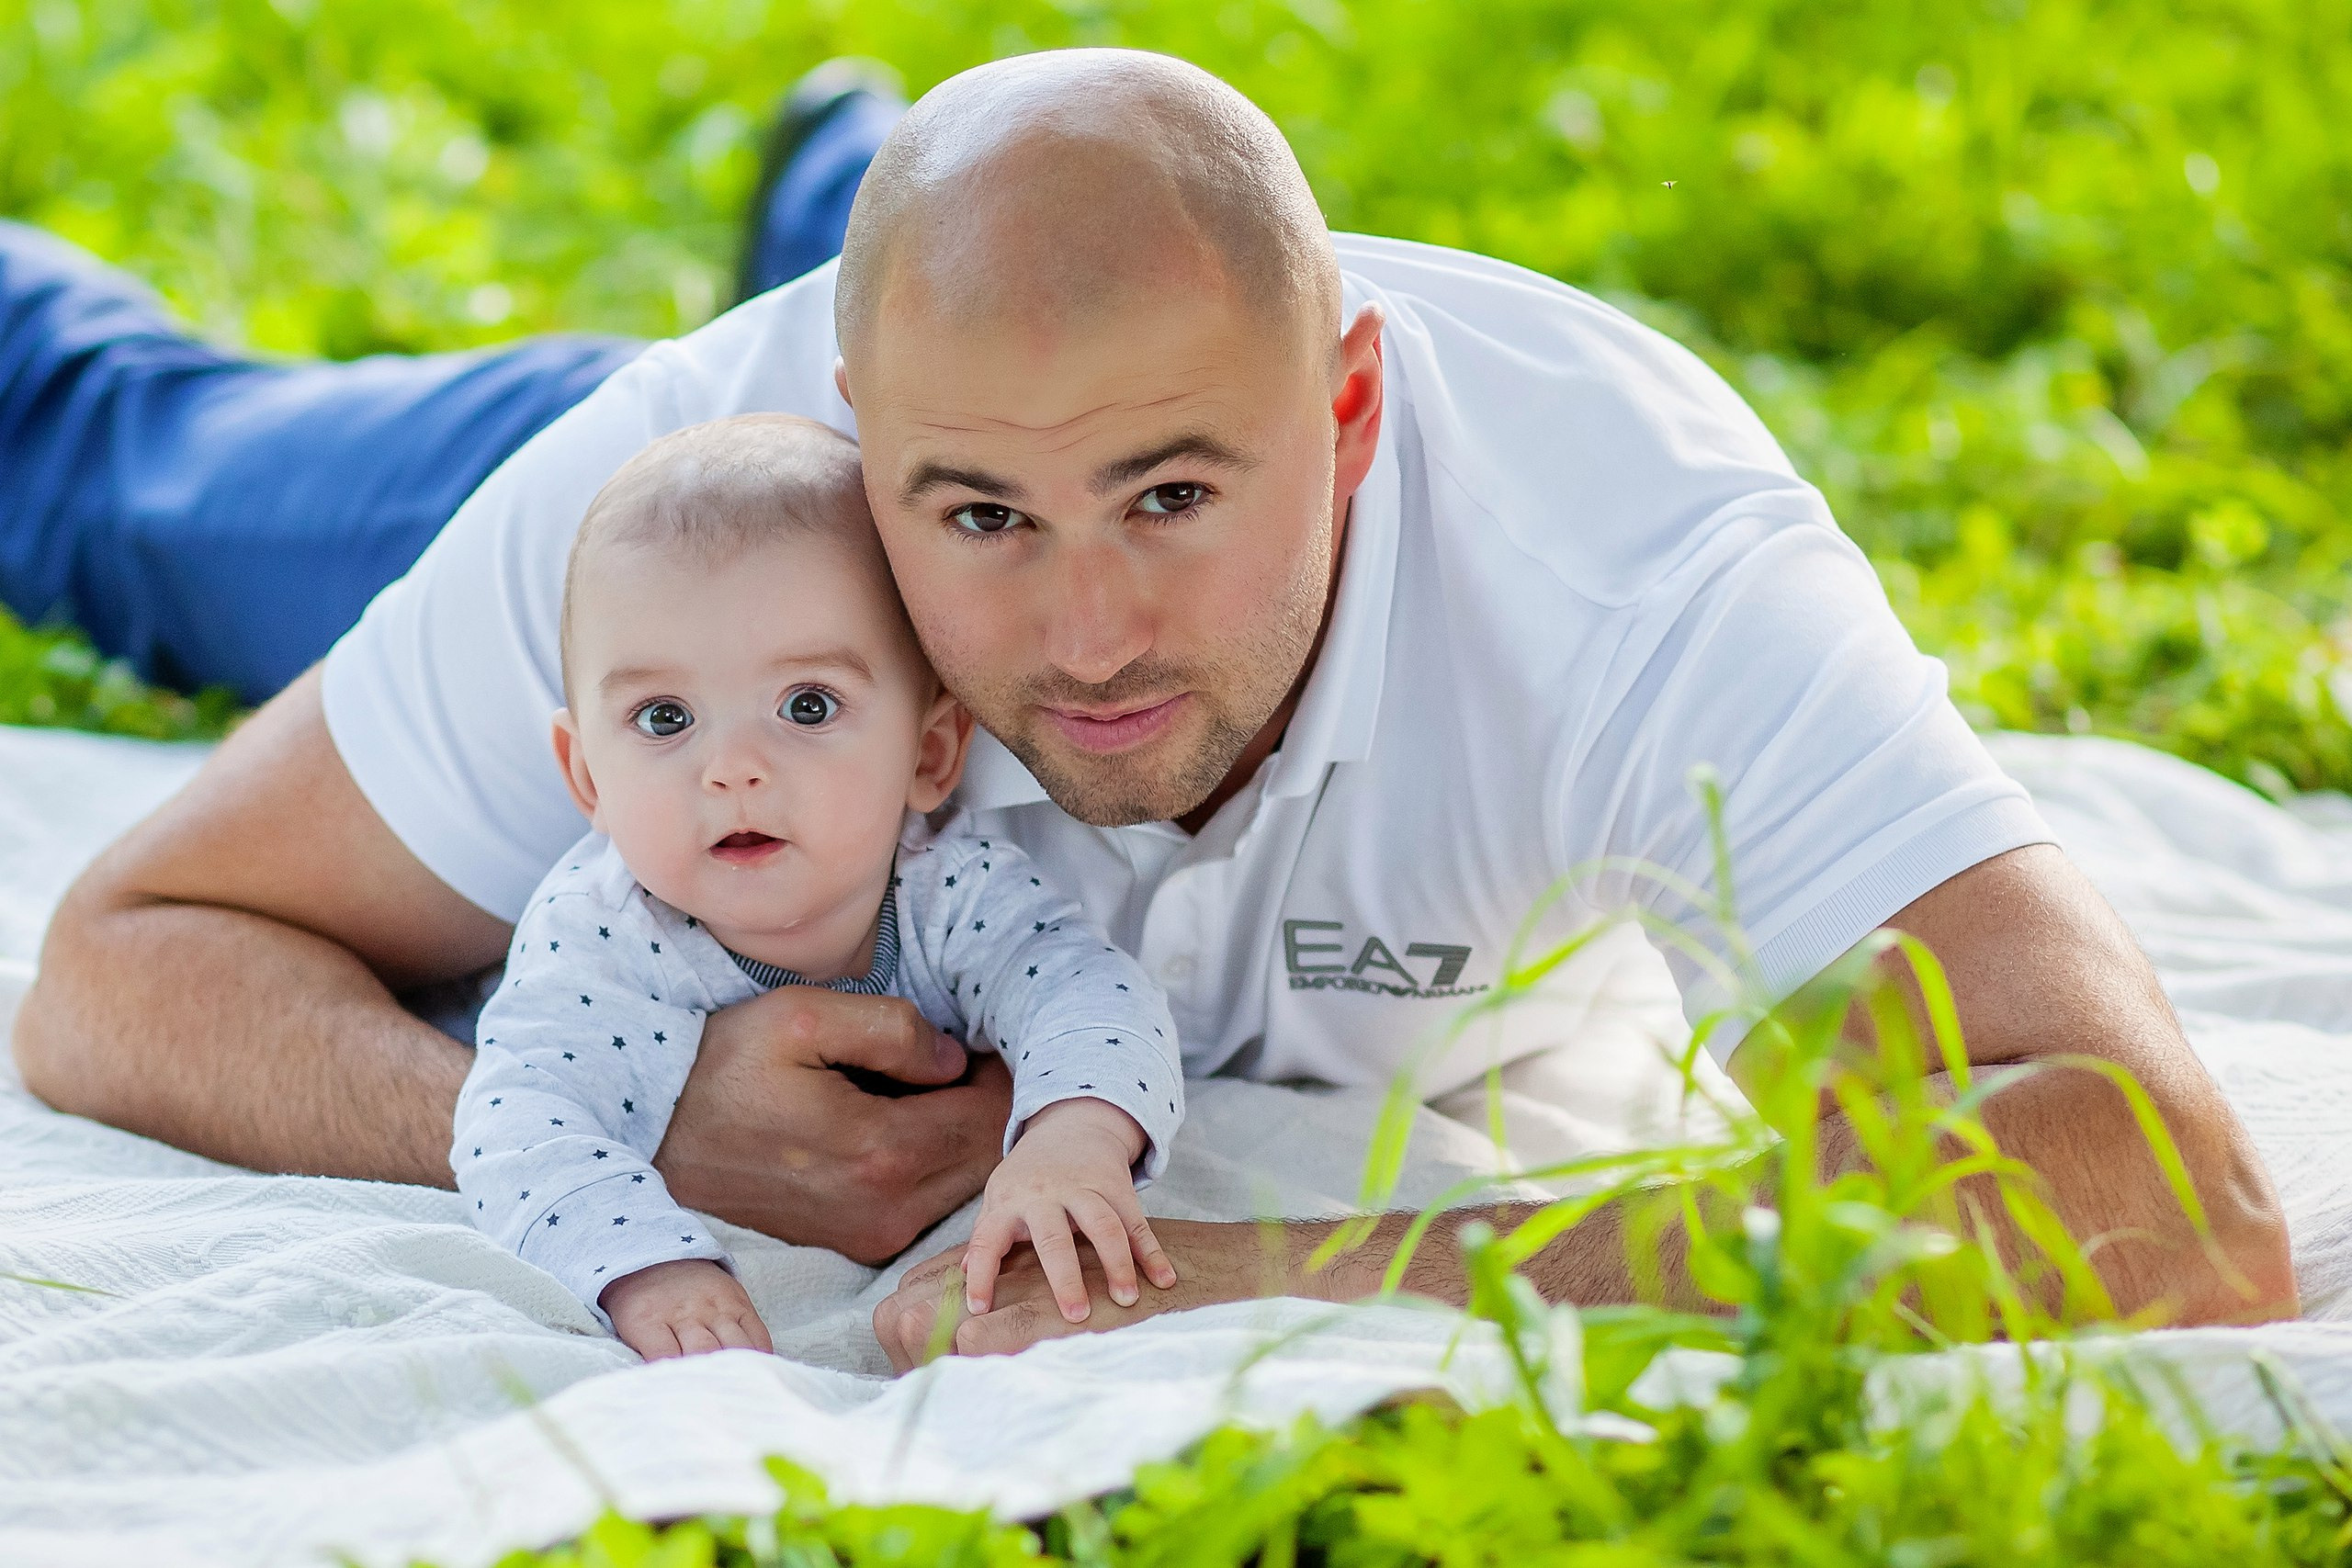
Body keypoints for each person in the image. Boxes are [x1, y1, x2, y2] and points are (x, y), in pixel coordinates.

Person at [13, 50, 2296, 1370]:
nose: (1089, 632)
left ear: (1349, 405)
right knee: (146, 485)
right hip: (695, 514)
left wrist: (1263, 1268)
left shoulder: (1633, 568)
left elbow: (2170, 1195)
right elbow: (124, 959)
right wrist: (614, 1135)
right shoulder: (691, 512)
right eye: (979, 514)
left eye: (1174, 494)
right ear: (858, 430)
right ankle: (830, 197)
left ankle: (848, 174)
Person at [455, 414, 1182, 1360]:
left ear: (928, 753)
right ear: (587, 776)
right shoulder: (600, 940)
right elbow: (516, 1121)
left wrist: (1072, 1135)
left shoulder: (948, 889)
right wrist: (645, 1266)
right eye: (664, 717)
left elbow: (1089, 993)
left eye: (807, 705)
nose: (733, 768)